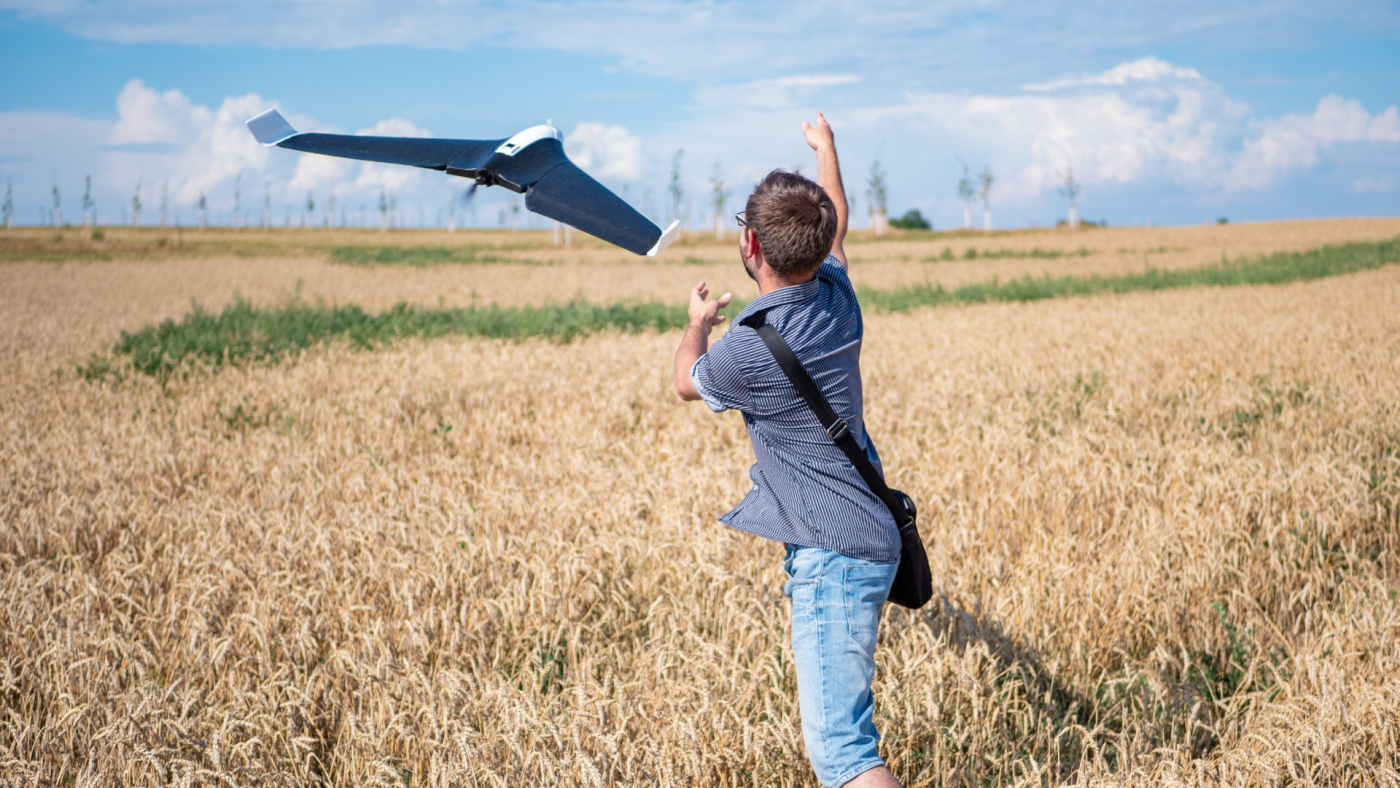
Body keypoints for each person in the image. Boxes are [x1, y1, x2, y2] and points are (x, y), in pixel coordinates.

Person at [673, 114, 904, 788]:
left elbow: (686, 384)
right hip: (870, 532)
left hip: (834, 555)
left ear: (749, 244)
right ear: (824, 237)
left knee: (843, 754)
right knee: (844, 741)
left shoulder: (749, 349)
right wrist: (826, 150)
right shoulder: (837, 293)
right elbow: (840, 226)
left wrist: (695, 327)